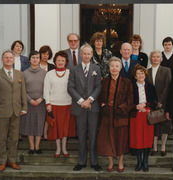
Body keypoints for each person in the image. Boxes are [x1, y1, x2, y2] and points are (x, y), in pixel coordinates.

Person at [0, 50, 27, 171]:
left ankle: (12, 160)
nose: (9, 59)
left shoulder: (19, 74)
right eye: (6, 57)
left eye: (11, 58)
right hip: (2, 111)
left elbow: (23, 92)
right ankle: (2, 161)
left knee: (14, 138)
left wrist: (24, 108)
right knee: (2, 138)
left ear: (13, 60)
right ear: (2, 59)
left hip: (16, 111)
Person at [67, 43, 102, 171]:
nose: (86, 56)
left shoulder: (96, 69)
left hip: (93, 107)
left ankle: (94, 162)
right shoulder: (74, 69)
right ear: (81, 55)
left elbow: (98, 86)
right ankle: (81, 162)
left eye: (89, 53)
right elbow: (70, 88)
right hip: (79, 107)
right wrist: (82, 101)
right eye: (84, 53)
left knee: (93, 135)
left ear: (92, 55)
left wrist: (90, 100)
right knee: (81, 135)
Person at [97, 56, 133, 172]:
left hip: (120, 114)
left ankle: (121, 162)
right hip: (108, 113)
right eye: (112, 66)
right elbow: (100, 97)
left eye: (117, 66)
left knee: (121, 139)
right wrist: (103, 105)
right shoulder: (105, 81)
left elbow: (130, 99)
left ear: (120, 68)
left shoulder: (126, 82)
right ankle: (111, 162)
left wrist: (121, 108)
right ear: (109, 67)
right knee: (107, 138)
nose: (114, 68)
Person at [44, 51, 76, 158]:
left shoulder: (70, 73)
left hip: (67, 104)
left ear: (66, 62)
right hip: (54, 104)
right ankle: (58, 148)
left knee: (65, 128)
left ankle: (64, 147)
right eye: (58, 60)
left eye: (63, 60)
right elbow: (46, 90)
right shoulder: (49, 74)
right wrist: (48, 104)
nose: (60, 62)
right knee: (56, 128)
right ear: (55, 61)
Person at [130, 64, 157, 172]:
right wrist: (136, 106)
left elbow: (155, 101)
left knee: (147, 138)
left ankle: (145, 161)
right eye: (138, 74)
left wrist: (145, 104)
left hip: (147, 115)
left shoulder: (150, 86)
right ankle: (139, 161)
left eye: (142, 73)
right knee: (137, 138)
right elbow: (127, 102)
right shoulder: (131, 86)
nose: (140, 75)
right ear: (135, 76)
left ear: (145, 74)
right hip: (135, 116)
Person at [20, 51, 47, 155]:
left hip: (41, 102)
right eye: (33, 58)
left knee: (39, 124)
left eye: (37, 58)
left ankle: (37, 146)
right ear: (30, 60)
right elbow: (22, 89)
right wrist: (29, 100)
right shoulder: (24, 73)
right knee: (30, 124)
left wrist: (41, 98)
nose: (35, 60)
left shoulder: (45, 73)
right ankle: (31, 147)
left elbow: (47, 88)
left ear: (40, 59)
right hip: (29, 102)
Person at [147, 50, 172, 157]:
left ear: (161, 59)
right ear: (151, 58)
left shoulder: (166, 70)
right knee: (154, 125)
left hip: (165, 102)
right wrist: (154, 102)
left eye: (158, 56)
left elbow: (168, 86)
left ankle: (163, 147)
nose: (156, 58)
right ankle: (155, 147)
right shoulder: (147, 71)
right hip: (152, 103)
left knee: (165, 125)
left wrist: (161, 101)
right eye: (154, 56)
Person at [39, 45, 55, 140]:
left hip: (49, 94)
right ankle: (39, 133)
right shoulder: (35, 65)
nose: (45, 56)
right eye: (43, 54)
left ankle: (45, 133)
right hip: (38, 93)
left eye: (47, 54)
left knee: (47, 115)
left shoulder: (52, 67)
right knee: (40, 114)